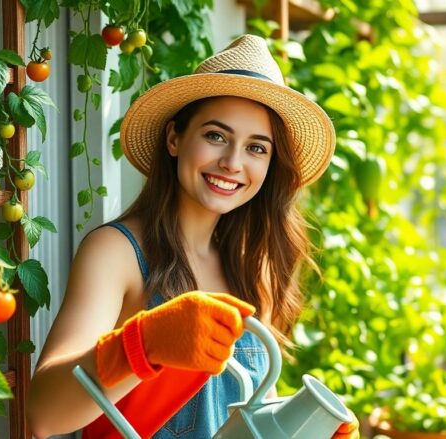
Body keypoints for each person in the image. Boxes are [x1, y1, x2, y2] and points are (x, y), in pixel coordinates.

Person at [26, 34, 359, 438]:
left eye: (257, 148)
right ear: (174, 138)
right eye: (216, 136)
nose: (232, 162)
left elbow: (236, 414)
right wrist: (144, 344)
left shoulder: (253, 268)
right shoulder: (117, 253)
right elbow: (43, 412)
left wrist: (305, 425)